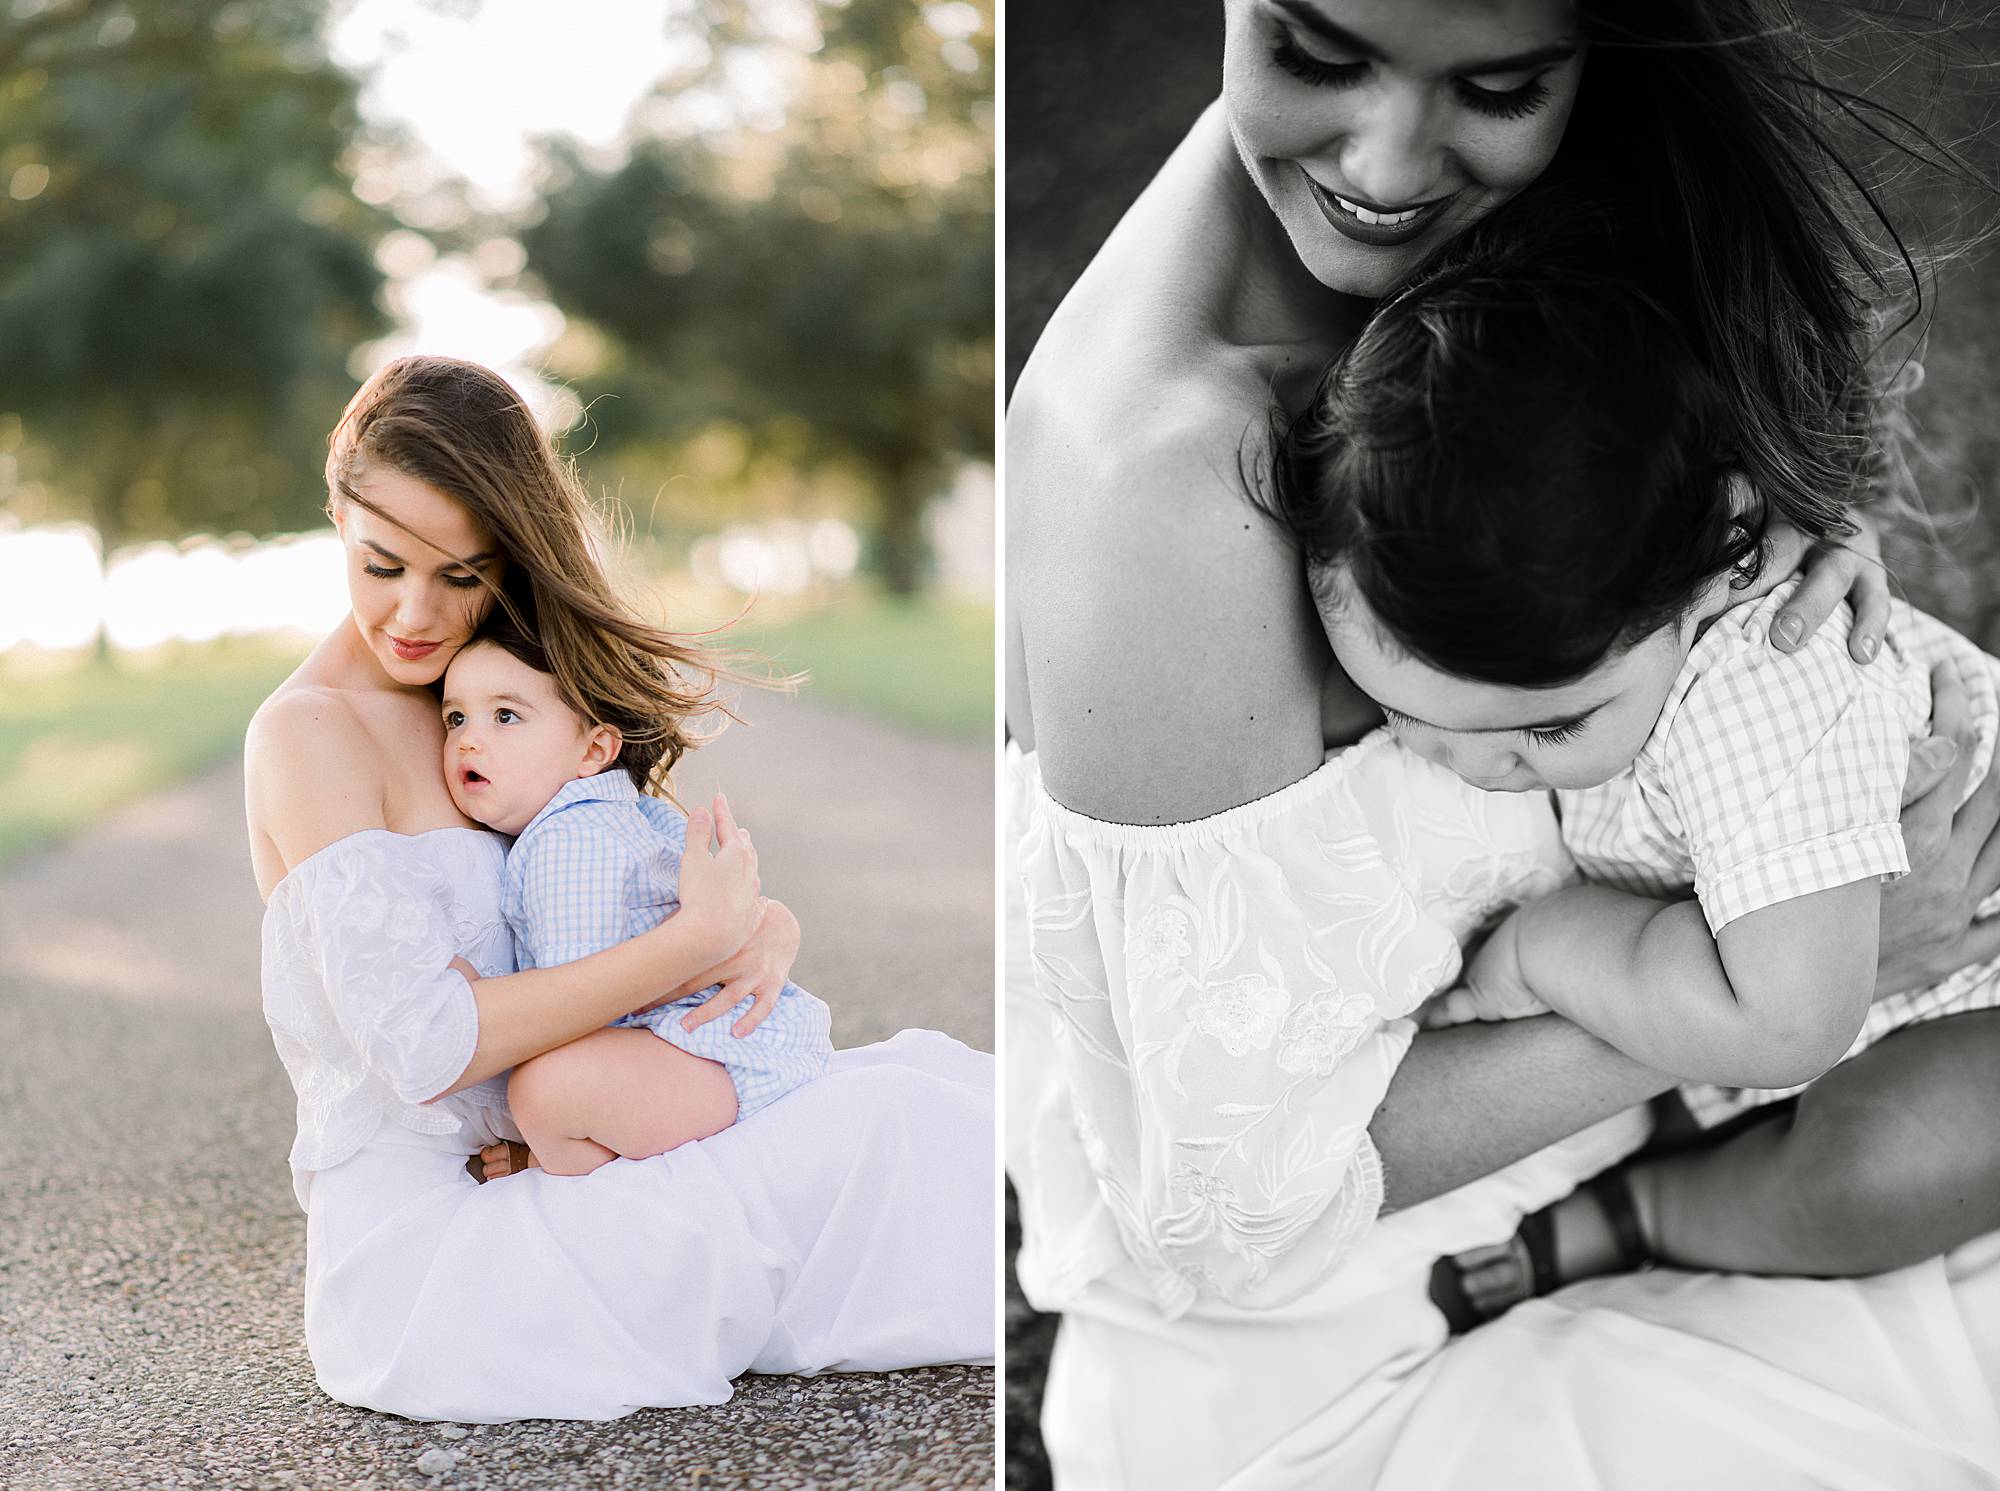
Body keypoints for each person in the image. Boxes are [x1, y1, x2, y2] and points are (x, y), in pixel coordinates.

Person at [1005, 1, 2000, 1484]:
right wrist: (1855, 943)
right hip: (1325, 1363)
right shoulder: (1171, 490)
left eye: (1501, 84)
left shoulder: (1527, 284)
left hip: (1656, 1148)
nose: (1389, 162)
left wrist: (1777, 500)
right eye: (1315, 53)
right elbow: (1226, 1213)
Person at [247, 354, 992, 1422]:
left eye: (460, 575)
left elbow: (612, 892)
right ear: (334, 521)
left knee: (911, 1098)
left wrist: (753, 932)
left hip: (558, 1160)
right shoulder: (306, 734)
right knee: (886, 1138)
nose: (413, 612)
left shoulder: (487, 690)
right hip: (437, 1258)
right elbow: (420, 1042)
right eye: (379, 565)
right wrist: (688, 947)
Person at [1261, 231, 2000, 1306]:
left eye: (1546, 733)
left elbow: (1789, 1020)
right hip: (1814, 967)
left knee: (1875, 1173)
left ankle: (1638, 1216)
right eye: (1401, 712)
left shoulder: (1768, 679)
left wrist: (1546, 949)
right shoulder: (1560, 621)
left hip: (1969, 980)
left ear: (1721, 574)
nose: (1471, 769)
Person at [437, 619, 833, 1179]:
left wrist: (481, 997)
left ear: (594, 748)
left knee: (545, 1090)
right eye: (456, 718)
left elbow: (579, 998)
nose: (469, 740)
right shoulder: (621, 810)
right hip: (742, 1048)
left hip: (713, 1059)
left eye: (506, 716)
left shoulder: (569, 838)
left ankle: (587, 1171)